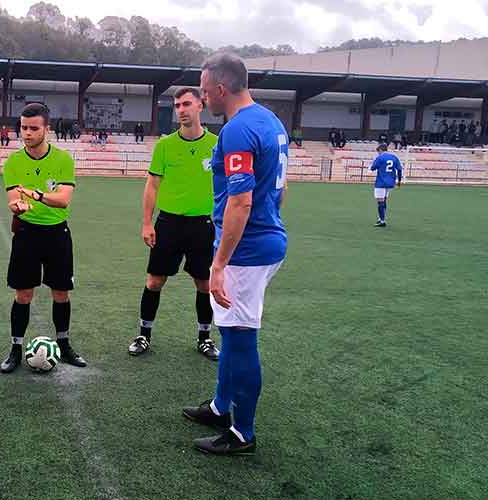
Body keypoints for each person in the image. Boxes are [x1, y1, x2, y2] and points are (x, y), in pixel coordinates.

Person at [183, 53, 287, 456]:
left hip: (246, 249)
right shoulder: (271, 121)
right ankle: (220, 406)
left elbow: (240, 202)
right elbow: (282, 189)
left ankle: (242, 432)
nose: (204, 98)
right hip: (265, 239)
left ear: (221, 89)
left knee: (241, 338)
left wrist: (220, 264)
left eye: (205, 91)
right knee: (229, 330)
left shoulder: (238, 130)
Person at [127, 87, 220, 361]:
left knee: (204, 283)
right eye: (177, 105)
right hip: (168, 223)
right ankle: (144, 334)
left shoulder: (217, 144)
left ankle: (205, 338)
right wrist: (146, 223)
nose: (181, 109)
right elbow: (152, 185)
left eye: (186, 104)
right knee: (155, 281)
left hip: (202, 225)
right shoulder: (165, 145)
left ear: (200, 106)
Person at [0, 102, 87, 373]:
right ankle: (15, 349)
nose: (27, 133)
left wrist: (37, 196)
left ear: (46, 129)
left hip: (57, 234)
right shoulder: (13, 162)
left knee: (60, 292)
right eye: (24, 128)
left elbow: (63, 201)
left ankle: (64, 344)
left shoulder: (63, 160)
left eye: (34, 128)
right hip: (26, 234)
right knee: (23, 294)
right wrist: (18, 207)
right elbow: (14, 198)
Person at [370, 143, 403, 228]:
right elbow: (399, 169)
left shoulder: (380, 157)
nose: (378, 153)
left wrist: (372, 167)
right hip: (391, 183)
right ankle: (381, 218)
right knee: (384, 200)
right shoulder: (394, 157)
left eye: (378, 152)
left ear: (380, 150)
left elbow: (373, 168)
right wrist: (399, 181)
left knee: (380, 201)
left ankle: (382, 220)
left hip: (381, 182)